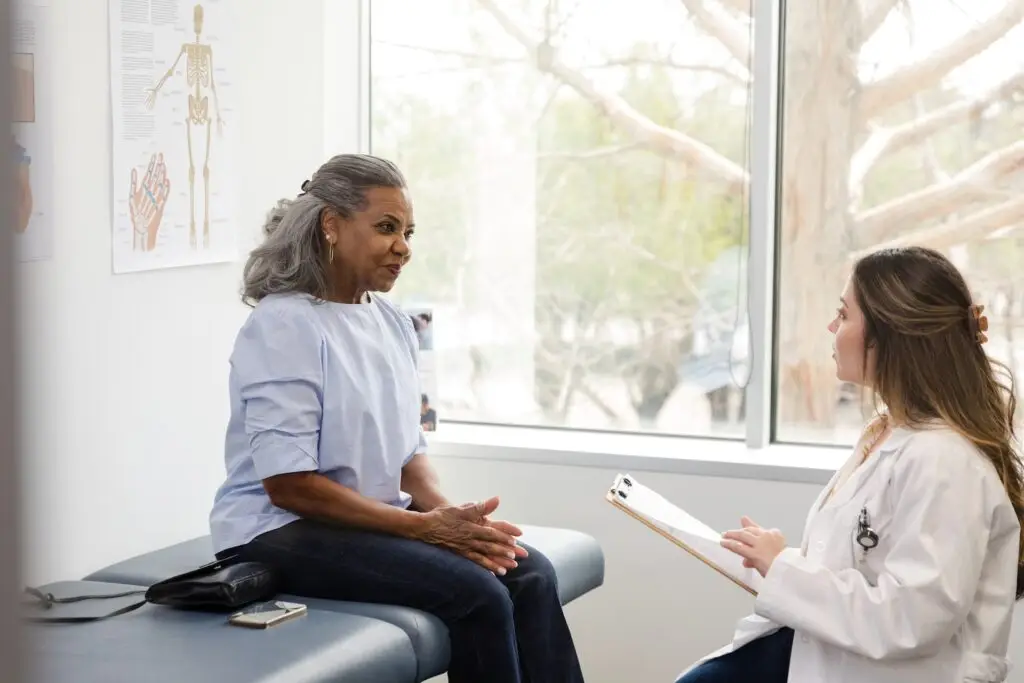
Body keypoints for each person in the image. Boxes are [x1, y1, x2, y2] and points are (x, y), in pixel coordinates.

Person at [209, 154, 585, 683]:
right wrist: (423, 529)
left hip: (361, 523)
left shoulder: (393, 323)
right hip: (278, 530)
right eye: (387, 228)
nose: (403, 247)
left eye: (408, 231)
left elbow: (409, 453)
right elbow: (290, 486)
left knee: (530, 573)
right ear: (331, 226)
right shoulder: (285, 325)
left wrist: (456, 521)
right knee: (476, 593)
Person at [678, 246, 1024, 683]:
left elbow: (911, 620)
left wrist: (784, 569)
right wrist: (782, 560)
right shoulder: (886, 434)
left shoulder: (945, 463)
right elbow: (866, 566)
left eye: (843, 315)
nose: (831, 327)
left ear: (888, 336)